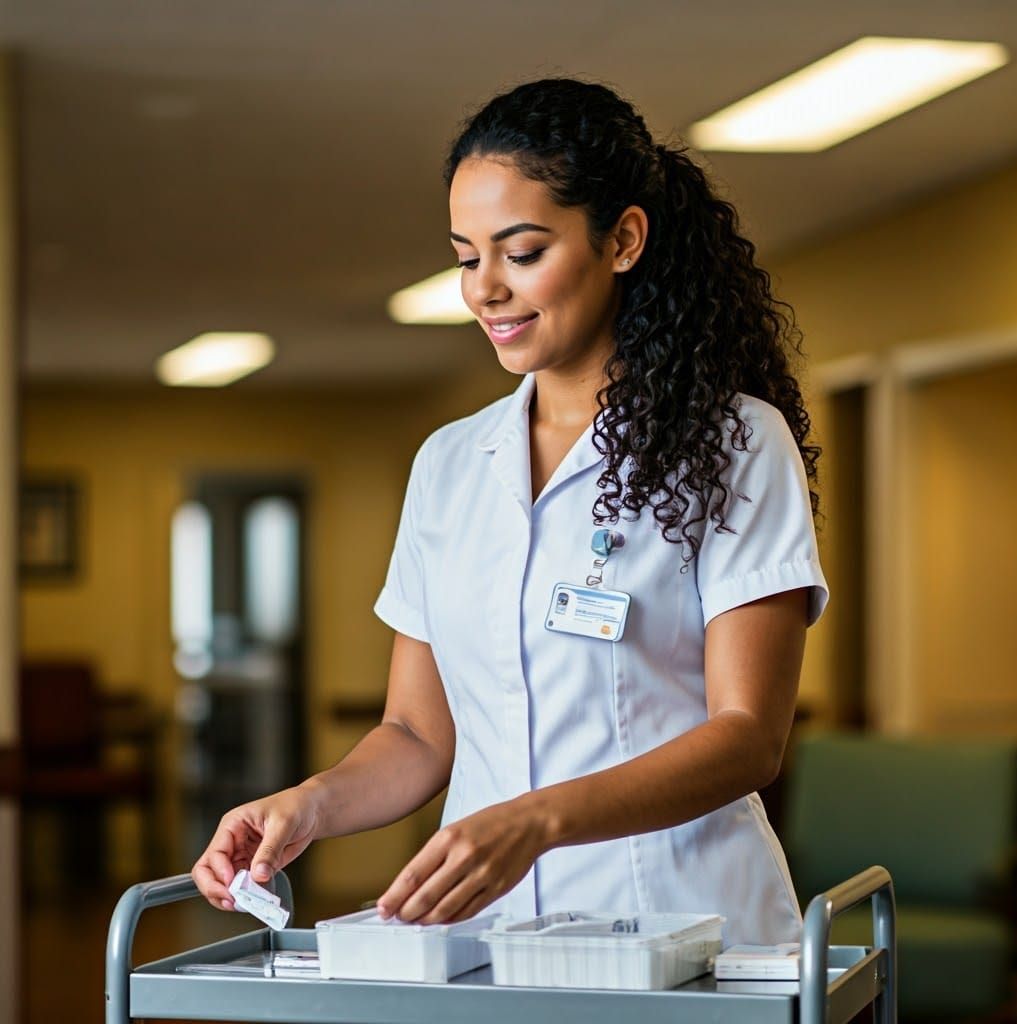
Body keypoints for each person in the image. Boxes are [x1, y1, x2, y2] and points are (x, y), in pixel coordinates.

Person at [192, 77, 829, 946]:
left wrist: (536, 820)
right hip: (491, 943)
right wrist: (304, 808)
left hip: (692, 933)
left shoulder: (734, 443)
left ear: (624, 241)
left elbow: (748, 735)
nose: (484, 289)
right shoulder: (451, 464)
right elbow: (416, 733)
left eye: (521, 252)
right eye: (465, 257)